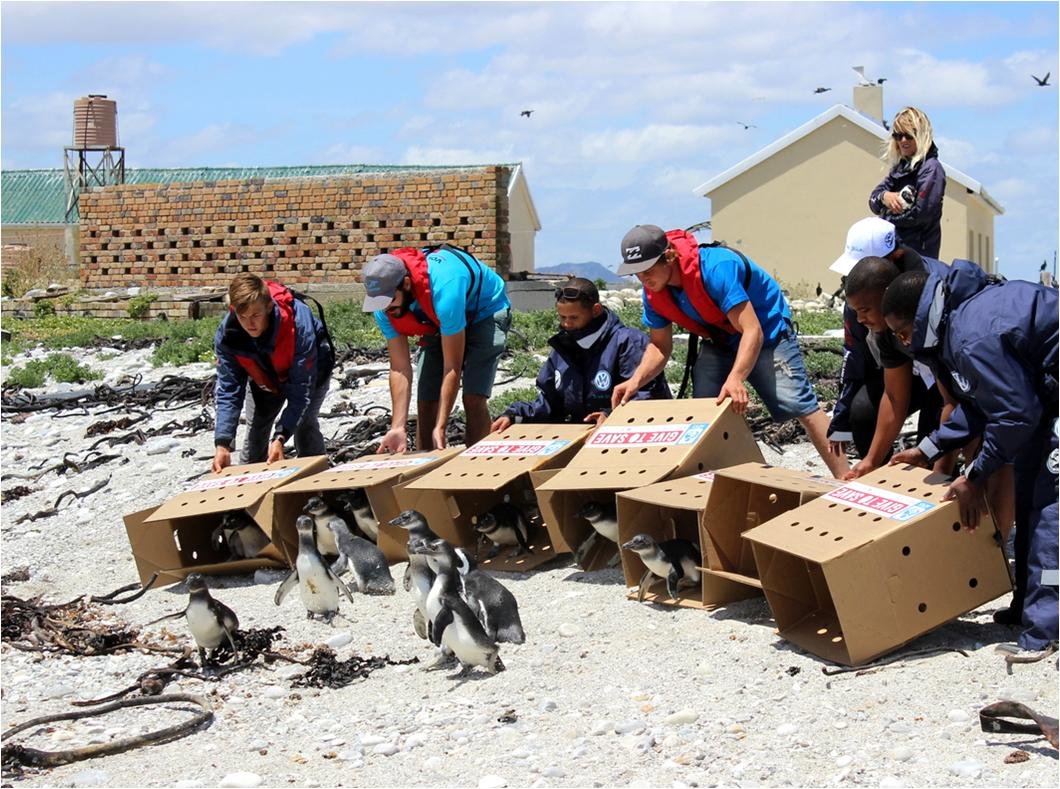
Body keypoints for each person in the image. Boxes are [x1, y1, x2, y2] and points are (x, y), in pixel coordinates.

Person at [883, 265, 1058, 655]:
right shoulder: (958, 323)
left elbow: (1015, 416)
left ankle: (1047, 628)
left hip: (1043, 407)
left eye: (902, 332)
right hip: (1043, 402)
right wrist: (927, 449)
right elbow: (982, 403)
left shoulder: (971, 337)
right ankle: (1027, 605)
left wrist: (975, 474)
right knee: (1029, 497)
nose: (903, 342)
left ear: (919, 317)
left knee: (1050, 511)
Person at [611, 224, 849, 479]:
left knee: (799, 404)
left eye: (648, 270)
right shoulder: (653, 292)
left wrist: (736, 378)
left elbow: (752, 330)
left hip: (766, 332)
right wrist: (635, 381)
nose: (644, 279)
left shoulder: (716, 269)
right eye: (637, 273)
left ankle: (847, 479)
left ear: (669, 256)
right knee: (703, 412)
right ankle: (712, 485)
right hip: (720, 339)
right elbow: (660, 345)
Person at [826, 217, 945, 478]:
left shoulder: (935, 296)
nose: (856, 279)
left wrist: (936, 459)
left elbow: (957, 395)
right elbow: (892, 393)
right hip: (916, 372)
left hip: (950, 377)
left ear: (894, 258)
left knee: (934, 435)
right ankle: (884, 479)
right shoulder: (873, 307)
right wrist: (871, 460)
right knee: (864, 411)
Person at [362, 245, 511, 453]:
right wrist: (397, 426)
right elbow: (399, 367)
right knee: (426, 401)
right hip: (436, 318)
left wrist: (441, 426)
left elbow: (452, 366)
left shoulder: (445, 291)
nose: (386, 308)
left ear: (406, 284)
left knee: (473, 397)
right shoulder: (385, 308)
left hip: (484, 310)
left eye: (389, 301)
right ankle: (426, 464)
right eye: (379, 302)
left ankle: (477, 466)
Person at [491, 277, 671, 432]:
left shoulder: (629, 343)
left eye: (574, 318)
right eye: (562, 317)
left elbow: (646, 397)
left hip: (632, 435)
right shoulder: (562, 349)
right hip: (583, 436)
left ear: (596, 310)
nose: (566, 324)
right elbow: (550, 404)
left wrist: (610, 415)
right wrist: (515, 415)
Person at [212, 273, 333, 472]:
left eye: (255, 315)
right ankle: (251, 486)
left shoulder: (298, 324)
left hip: (311, 372)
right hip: (264, 377)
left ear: (269, 307)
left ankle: (320, 481)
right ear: (233, 310)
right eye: (242, 316)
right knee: (256, 432)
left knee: (305, 426)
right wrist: (223, 443)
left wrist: (280, 437)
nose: (249, 324)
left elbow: (301, 391)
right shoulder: (227, 336)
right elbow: (228, 390)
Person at [868, 106, 946, 258]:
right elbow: (873, 201)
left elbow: (920, 215)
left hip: (919, 257)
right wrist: (885, 197)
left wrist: (886, 216)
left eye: (909, 135)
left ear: (921, 135)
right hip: (895, 252)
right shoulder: (900, 168)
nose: (903, 140)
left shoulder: (932, 169)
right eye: (898, 135)